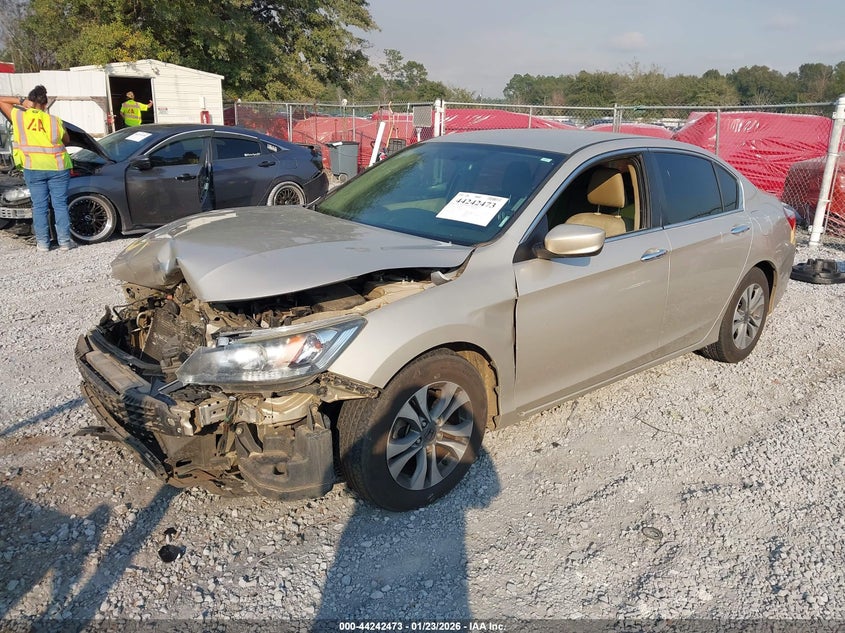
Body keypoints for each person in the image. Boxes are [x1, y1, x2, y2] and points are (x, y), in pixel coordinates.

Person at [0, 85, 74, 252]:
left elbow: (1, 100)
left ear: (30, 101)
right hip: (58, 167)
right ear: (46, 104)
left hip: (33, 167)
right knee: (60, 205)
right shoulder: (54, 120)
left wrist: (20, 101)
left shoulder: (19, 117)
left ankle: (43, 244)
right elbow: (66, 140)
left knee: (39, 206)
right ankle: (64, 242)